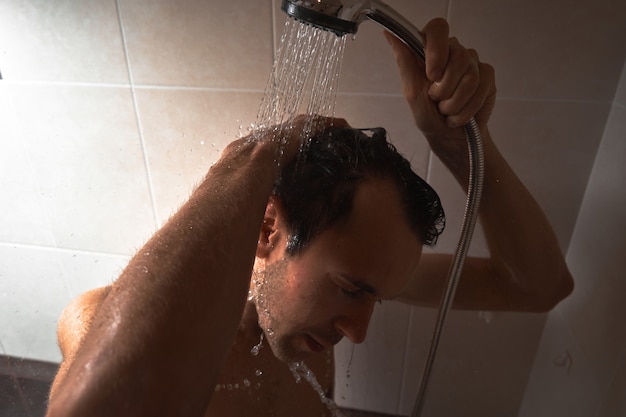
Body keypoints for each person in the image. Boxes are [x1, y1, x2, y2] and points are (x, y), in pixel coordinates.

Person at [46, 18, 573, 417]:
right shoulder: (98, 319)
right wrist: (247, 162)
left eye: (375, 297)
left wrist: (459, 149)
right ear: (267, 230)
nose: (360, 331)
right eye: (349, 288)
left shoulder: (333, 293)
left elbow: (535, 286)